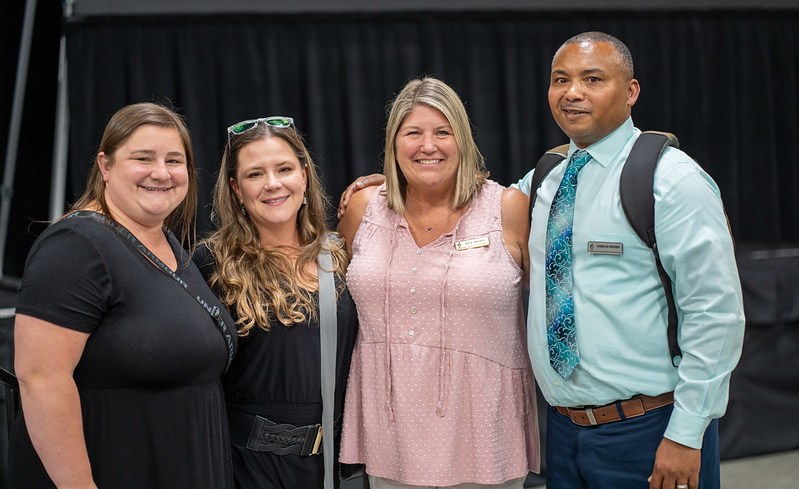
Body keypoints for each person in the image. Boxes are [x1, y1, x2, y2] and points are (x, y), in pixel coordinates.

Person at [339, 33, 746, 489]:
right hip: (565, 432)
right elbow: (475, 205)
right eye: (561, 80)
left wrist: (688, 435)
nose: (573, 92)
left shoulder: (672, 182)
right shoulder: (547, 178)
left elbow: (716, 314)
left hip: (649, 425)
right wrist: (406, 179)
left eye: (592, 79)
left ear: (631, 91)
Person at [10, 102, 238, 488]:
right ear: (105, 166)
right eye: (143, 158)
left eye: (174, 160)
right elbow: (40, 378)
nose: (161, 173)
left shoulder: (165, 242)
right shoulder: (78, 244)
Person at [337, 77, 540, 489]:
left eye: (442, 133)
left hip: (485, 438)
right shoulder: (362, 208)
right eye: (413, 133)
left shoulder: (508, 208)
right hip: (389, 434)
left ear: (462, 140)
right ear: (394, 143)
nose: (427, 146)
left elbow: (555, 309)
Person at [192, 116, 358, 489]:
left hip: (332, 470)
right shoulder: (209, 264)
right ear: (236, 188)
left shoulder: (342, 255)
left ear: (304, 176)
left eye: (283, 169)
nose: (272, 184)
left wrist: (379, 185)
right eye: (255, 174)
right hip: (245, 469)